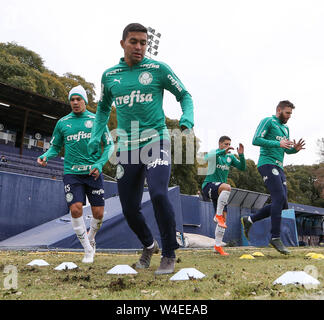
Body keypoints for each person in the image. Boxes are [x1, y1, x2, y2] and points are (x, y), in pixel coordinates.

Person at [88, 23, 194, 274]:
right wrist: (96, 135)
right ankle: (149, 245)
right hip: (126, 148)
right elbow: (103, 107)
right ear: (123, 43)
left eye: (143, 42)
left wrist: (187, 117)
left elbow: (184, 95)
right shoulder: (110, 75)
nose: (139, 47)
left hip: (156, 140)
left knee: (158, 193)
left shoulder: (158, 69)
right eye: (134, 41)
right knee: (129, 209)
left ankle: (168, 253)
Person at [37, 85, 114, 263]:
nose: (75, 102)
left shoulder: (97, 120)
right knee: (75, 208)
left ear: (84, 101)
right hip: (71, 173)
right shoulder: (63, 123)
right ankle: (87, 250)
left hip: (93, 173)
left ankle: (92, 237)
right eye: (72, 99)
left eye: (79, 99)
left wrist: (100, 164)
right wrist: (45, 155)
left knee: (99, 213)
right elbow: (55, 147)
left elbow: (109, 145)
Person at [241, 100, 305, 255]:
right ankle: (275, 237)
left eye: (291, 113)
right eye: (287, 113)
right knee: (278, 198)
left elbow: (285, 149)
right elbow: (256, 140)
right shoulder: (268, 121)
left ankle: (250, 220)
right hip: (266, 164)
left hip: (279, 166)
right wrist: (278, 144)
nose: (289, 116)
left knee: (283, 204)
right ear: (279, 110)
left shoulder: (286, 128)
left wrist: (294, 150)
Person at [202, 136, 246, 255]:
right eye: (226, 144)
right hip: (208, 186)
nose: (228, 146)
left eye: (229, 144)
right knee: (227, 186)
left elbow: (243, 167)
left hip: (220, 192)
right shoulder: (214, 153)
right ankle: (218, 215)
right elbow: (206, 158)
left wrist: (241, 155)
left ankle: (217, 246)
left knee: (224, 221)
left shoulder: (230, 157)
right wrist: (222, 152)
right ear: (220, 144)